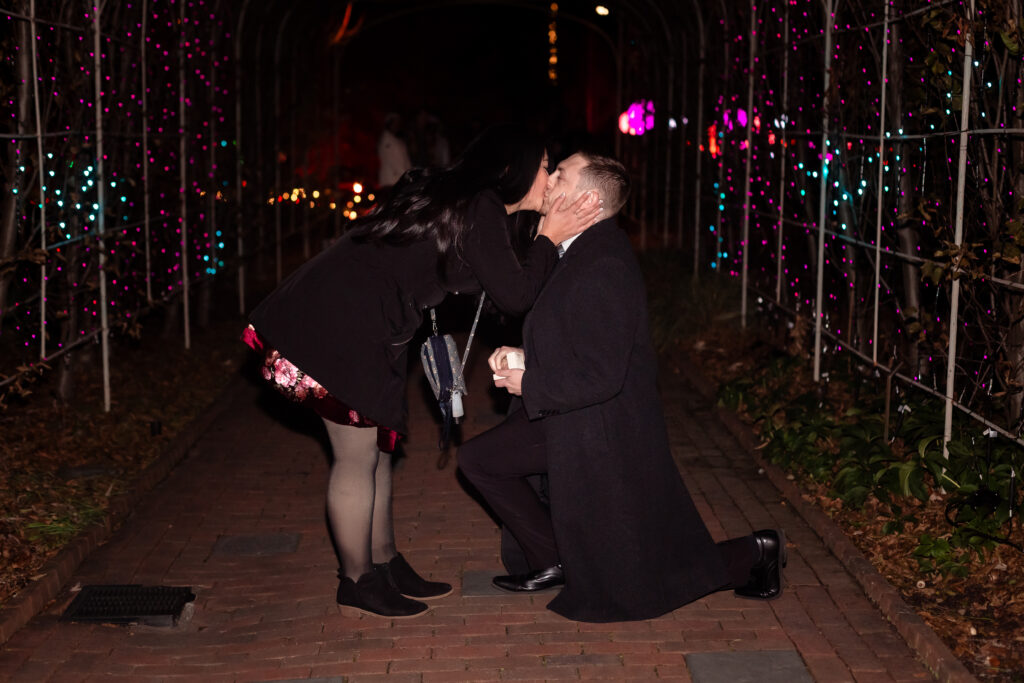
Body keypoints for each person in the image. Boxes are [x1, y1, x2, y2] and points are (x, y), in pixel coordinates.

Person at [244, 125, 601, 619]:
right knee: (355, 455)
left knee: (379, 451)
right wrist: (547, 237)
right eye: (545, 166)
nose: (550, 178)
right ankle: (357, 579)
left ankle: (385, 562)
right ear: (512, 169)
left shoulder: (479, 211)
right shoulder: (480, 209)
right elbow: (518, 296)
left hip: (370, 326)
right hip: (338, 324)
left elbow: (506, 288)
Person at [456, 151, 785, 623]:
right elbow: (573, 334)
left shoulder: (604, 262)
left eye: (559, 175)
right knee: (480, 460)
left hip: (602, 425)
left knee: (645, 577)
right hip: (570, 413)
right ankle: (554, 558)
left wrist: (532, 380)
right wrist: (524, 356)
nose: (547, 182)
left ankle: (757, 551)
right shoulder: (575, 250)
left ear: (588, 199)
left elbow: (602, 372)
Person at [377, 112, 413, 190]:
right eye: (395, 122)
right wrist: (406, 176)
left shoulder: (397, 140)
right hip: (391, 181)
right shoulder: (387, 140)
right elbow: (394, 161)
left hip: (399, 180)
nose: (397, 125)